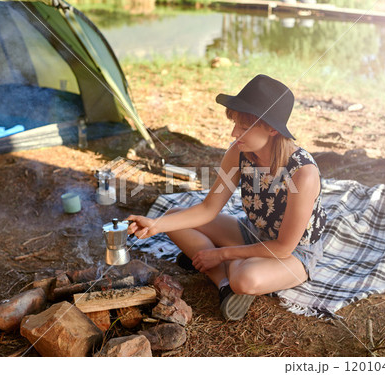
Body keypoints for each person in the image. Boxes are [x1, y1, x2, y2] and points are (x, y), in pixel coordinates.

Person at [127, 74, 326, 321]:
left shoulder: (303, 173)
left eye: (244, 127)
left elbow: (284, 247)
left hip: (293, 254)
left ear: (272, 129)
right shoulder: (239, 154)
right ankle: (223, 284)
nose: (234, 133)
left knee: (244, 279)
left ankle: (223, 266)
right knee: (172, 217)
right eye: (235, 124)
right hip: (253, 232)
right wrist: (155, 226)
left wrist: (222, 254)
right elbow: (209, 208)